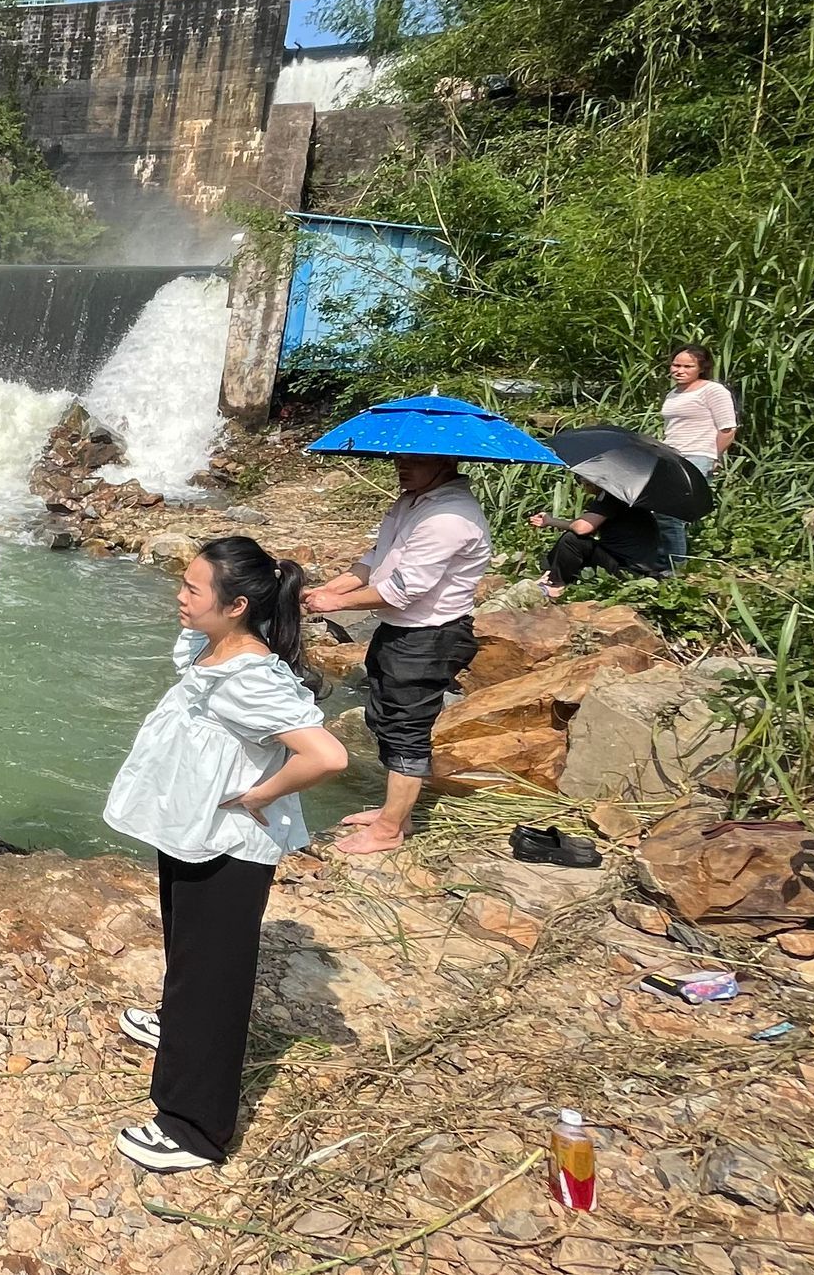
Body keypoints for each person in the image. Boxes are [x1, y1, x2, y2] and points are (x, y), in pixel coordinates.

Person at [102, 537, 347, 1171]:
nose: (179, 596)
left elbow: (327, 755)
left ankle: (194, 1128)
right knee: (188, 950)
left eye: (192, 588)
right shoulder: (214, 650)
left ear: (236, 605)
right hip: (193, 830)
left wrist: (258, 795)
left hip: (229, 845)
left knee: (216, 977)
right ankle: (179, 1028)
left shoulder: (251, 676)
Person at [300, 454, 490, 856]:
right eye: (401, 458)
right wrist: (330, 590)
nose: (403, 466)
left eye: (416, 460)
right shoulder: (412, 501)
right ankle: (394, 812)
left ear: (447, 463)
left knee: (407, 726)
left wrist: (335, 604)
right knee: (384, 715)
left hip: (430, 635)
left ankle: (389, 829)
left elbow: (403, 589)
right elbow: (376, 561)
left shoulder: (449, 518)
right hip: (400, 630)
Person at [657, 346, 737, 563]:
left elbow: (728, 429)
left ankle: (674, 566)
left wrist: (715, 456)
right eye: (676, 365)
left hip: (697, 456)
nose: (679, 370)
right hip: (671, 455)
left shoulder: (712, 391)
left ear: (701, 368)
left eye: (687, 366)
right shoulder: (674, 393)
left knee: (671, 513)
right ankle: (665, 559)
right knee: (662, 511)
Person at [529, 484, 666, 595]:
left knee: (572, 540)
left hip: (629, 570)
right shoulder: (622, 494)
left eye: (583, 478)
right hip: (634, 565)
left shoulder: (610, 495)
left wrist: (551, 521)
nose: (581, 482)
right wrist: (549, 521)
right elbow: (589, 528)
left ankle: (556, 586)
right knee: (577, 542)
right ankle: (549, 575)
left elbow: (582, 528)